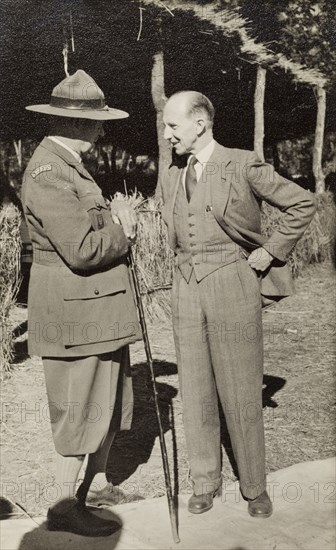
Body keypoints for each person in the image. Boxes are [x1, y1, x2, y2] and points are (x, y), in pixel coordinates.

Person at [160, 91, 316, 517]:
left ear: (200, 124)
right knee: (194, 388)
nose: (167, 132)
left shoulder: (242, 162)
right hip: (185, 287)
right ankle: (204, 481)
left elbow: (301, 202)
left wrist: (271, 252)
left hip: (232, 282)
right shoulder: (172, 173)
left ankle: (254, 486)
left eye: (173, 125)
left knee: (242, 386)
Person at [22, 70, 141, 537]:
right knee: (79, 410)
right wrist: (124, 229)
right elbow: (82, 249)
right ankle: (63, 505)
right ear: (73, 124)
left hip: (95, 311)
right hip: (76, 315)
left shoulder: (68, 164)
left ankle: (88, 491)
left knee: (106, 404)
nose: (103, 129)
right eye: (97, 122)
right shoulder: (49, 172)